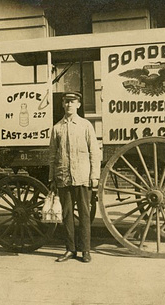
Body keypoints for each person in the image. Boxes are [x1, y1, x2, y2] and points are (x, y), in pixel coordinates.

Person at [48, 91, 101, 263]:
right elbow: (52, 156)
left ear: (78, 105)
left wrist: (95, 176)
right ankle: (70, 249)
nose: (69, 104)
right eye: (66, 102)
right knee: (67, 215)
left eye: (73, 101)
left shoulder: (86, 126)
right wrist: (52, 178)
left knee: (84, 215)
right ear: (63, 104)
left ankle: (85, 250)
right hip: (64, 177)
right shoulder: (57, 128)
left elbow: (94, 152)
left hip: (83, 177)